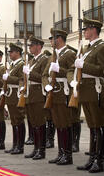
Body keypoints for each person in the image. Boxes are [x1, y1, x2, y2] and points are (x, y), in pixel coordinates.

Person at [69, 17, 104, 173]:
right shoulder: (87, 49)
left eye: (87, 29)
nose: (84, 32)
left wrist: (84, 65)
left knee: (99, 125)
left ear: (94, 30)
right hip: (85, 90)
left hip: (95, 90)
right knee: (92, 126)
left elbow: (101, 70)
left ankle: (100, 159)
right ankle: (92, 158)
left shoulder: (101, 47)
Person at [43, 29, 76, 165]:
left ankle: (67, 155)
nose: (51, 41)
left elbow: (72, 72)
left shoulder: (70, 54)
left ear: (60, 39)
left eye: (53, 38)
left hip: (63, 93)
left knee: (65, 123)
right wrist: (46, 86)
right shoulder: (52, 56)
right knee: (58, 124)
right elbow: (44, 74)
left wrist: (59, 70)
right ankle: (61, 152)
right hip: (53, 93)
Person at [23, 36, 49, 160]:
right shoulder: (32, 61)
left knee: (40, 122)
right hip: (30, 94)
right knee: (33, 123)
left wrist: (30, 73)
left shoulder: (44, 60)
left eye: (32, 45)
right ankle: (36, 148)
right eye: (29, 46)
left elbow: (43, 78)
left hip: (38, 94)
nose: (30, 48)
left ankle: (41, 150)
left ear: (39, 46)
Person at [3, 43, 25, 154]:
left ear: (17, 52)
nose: (10, 54)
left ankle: (20, 146)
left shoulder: (22, 64)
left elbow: (22, 80)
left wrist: (9, 78)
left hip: (17, 95)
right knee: (13, 121)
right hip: (11, 95)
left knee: (19, 120)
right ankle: (15, 144)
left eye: (11, 52)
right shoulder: (12, 65)